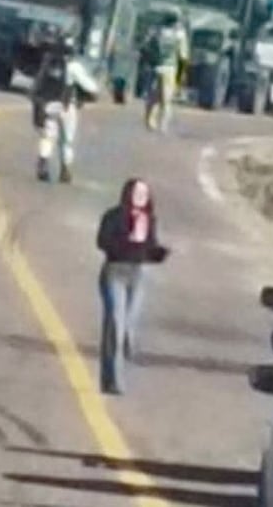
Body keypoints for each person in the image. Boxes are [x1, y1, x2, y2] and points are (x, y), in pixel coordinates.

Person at [95, 179, 170, 394]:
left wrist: (158, 254)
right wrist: (128, 243)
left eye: (144, 193)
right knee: (116, 326)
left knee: (129, 327)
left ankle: (121, 365)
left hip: (137, 275)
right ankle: (113, 380)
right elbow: (102, 242)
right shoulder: (113, 216)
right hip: (115, 272)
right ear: (127, 194)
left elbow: (150, 248)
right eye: (137, 192)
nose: (141, 197)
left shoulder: (149, 220)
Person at [30, 29, 101, 183]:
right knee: (67, 140)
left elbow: (38, 84)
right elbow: (92, 89)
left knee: (48, 136)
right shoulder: (74, 66)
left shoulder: (48, 62)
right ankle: (65, 170)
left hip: (49, 105)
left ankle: (43, 164)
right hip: (68, 106)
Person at [142, 13, 188, 133]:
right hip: (169, 69)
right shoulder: (179, 34)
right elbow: (183, 55)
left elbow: (145, 47)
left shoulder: (156, 31)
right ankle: (163, 125)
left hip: (156, 67)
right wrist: (181, 74)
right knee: (166, 99)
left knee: (153, 96)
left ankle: (150, 120)